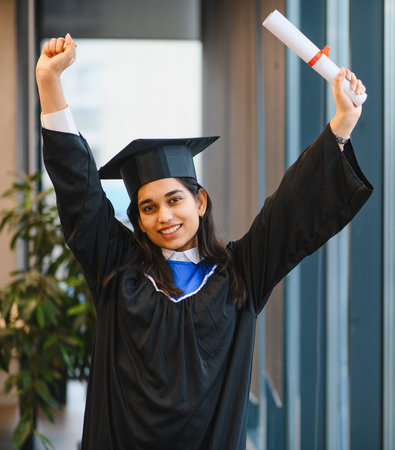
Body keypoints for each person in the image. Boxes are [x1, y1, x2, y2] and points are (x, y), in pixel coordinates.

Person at [36, 34, 372, 450]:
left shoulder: (242, 271)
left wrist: (341, 122)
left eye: (174, 200)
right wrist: (50, 81)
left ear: (200, 201)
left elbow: (290, 208)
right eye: (148, 208)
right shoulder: (117, 269)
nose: (164, 217)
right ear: (137, 220)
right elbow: (79, 195)